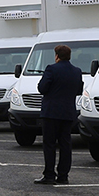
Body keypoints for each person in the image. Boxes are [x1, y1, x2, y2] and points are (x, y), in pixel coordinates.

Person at [34, 44, 83, 185]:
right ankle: (63, 175)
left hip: (51, 112)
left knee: (49, 144)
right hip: (68, 112)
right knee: (65, 145)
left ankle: (49, 174)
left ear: (57, 56)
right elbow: (78, 90)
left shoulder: (51, 69)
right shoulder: (76, 71)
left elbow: (42, 88)